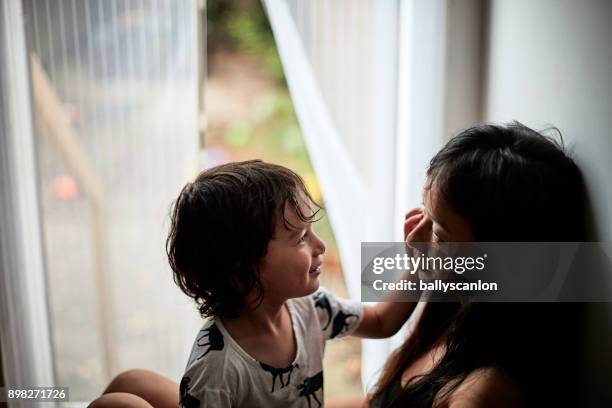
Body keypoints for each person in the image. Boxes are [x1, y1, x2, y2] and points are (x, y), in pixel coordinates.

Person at [90, 160, 419, 408]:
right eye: (301, 237)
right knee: (120, 400)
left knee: (131, 381)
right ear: (241, 268)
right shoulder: (217, 368)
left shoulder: (312, 309)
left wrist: (420, 264)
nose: (320, 247)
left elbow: (381, 321)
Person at [361, 121, 585, 407]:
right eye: (423, 212)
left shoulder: (484, 391)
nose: (413, 236)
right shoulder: (453, 308)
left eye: (439, 235)